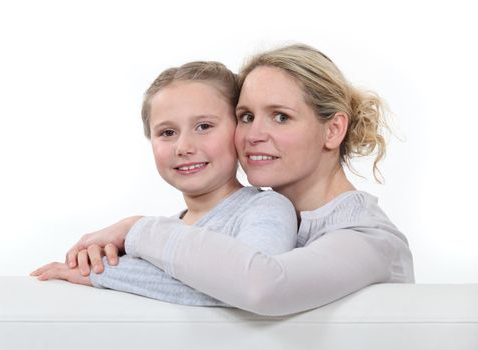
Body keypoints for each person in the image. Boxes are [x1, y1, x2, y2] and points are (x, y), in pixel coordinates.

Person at [63, 44, 415, 316]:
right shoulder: (271, 220)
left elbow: (261, 286)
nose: (253, 135)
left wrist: (135, 230)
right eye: (245, 116)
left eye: (280, 116)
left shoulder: (368, 239)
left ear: (333, 129)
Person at [31, 61, 298, 306]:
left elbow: (245, 285)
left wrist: (104, 271)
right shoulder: (150, 241)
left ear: (239, 129)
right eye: (167, 133)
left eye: (204, 126)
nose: (184, 147)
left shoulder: (267, 208)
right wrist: (102, 262)